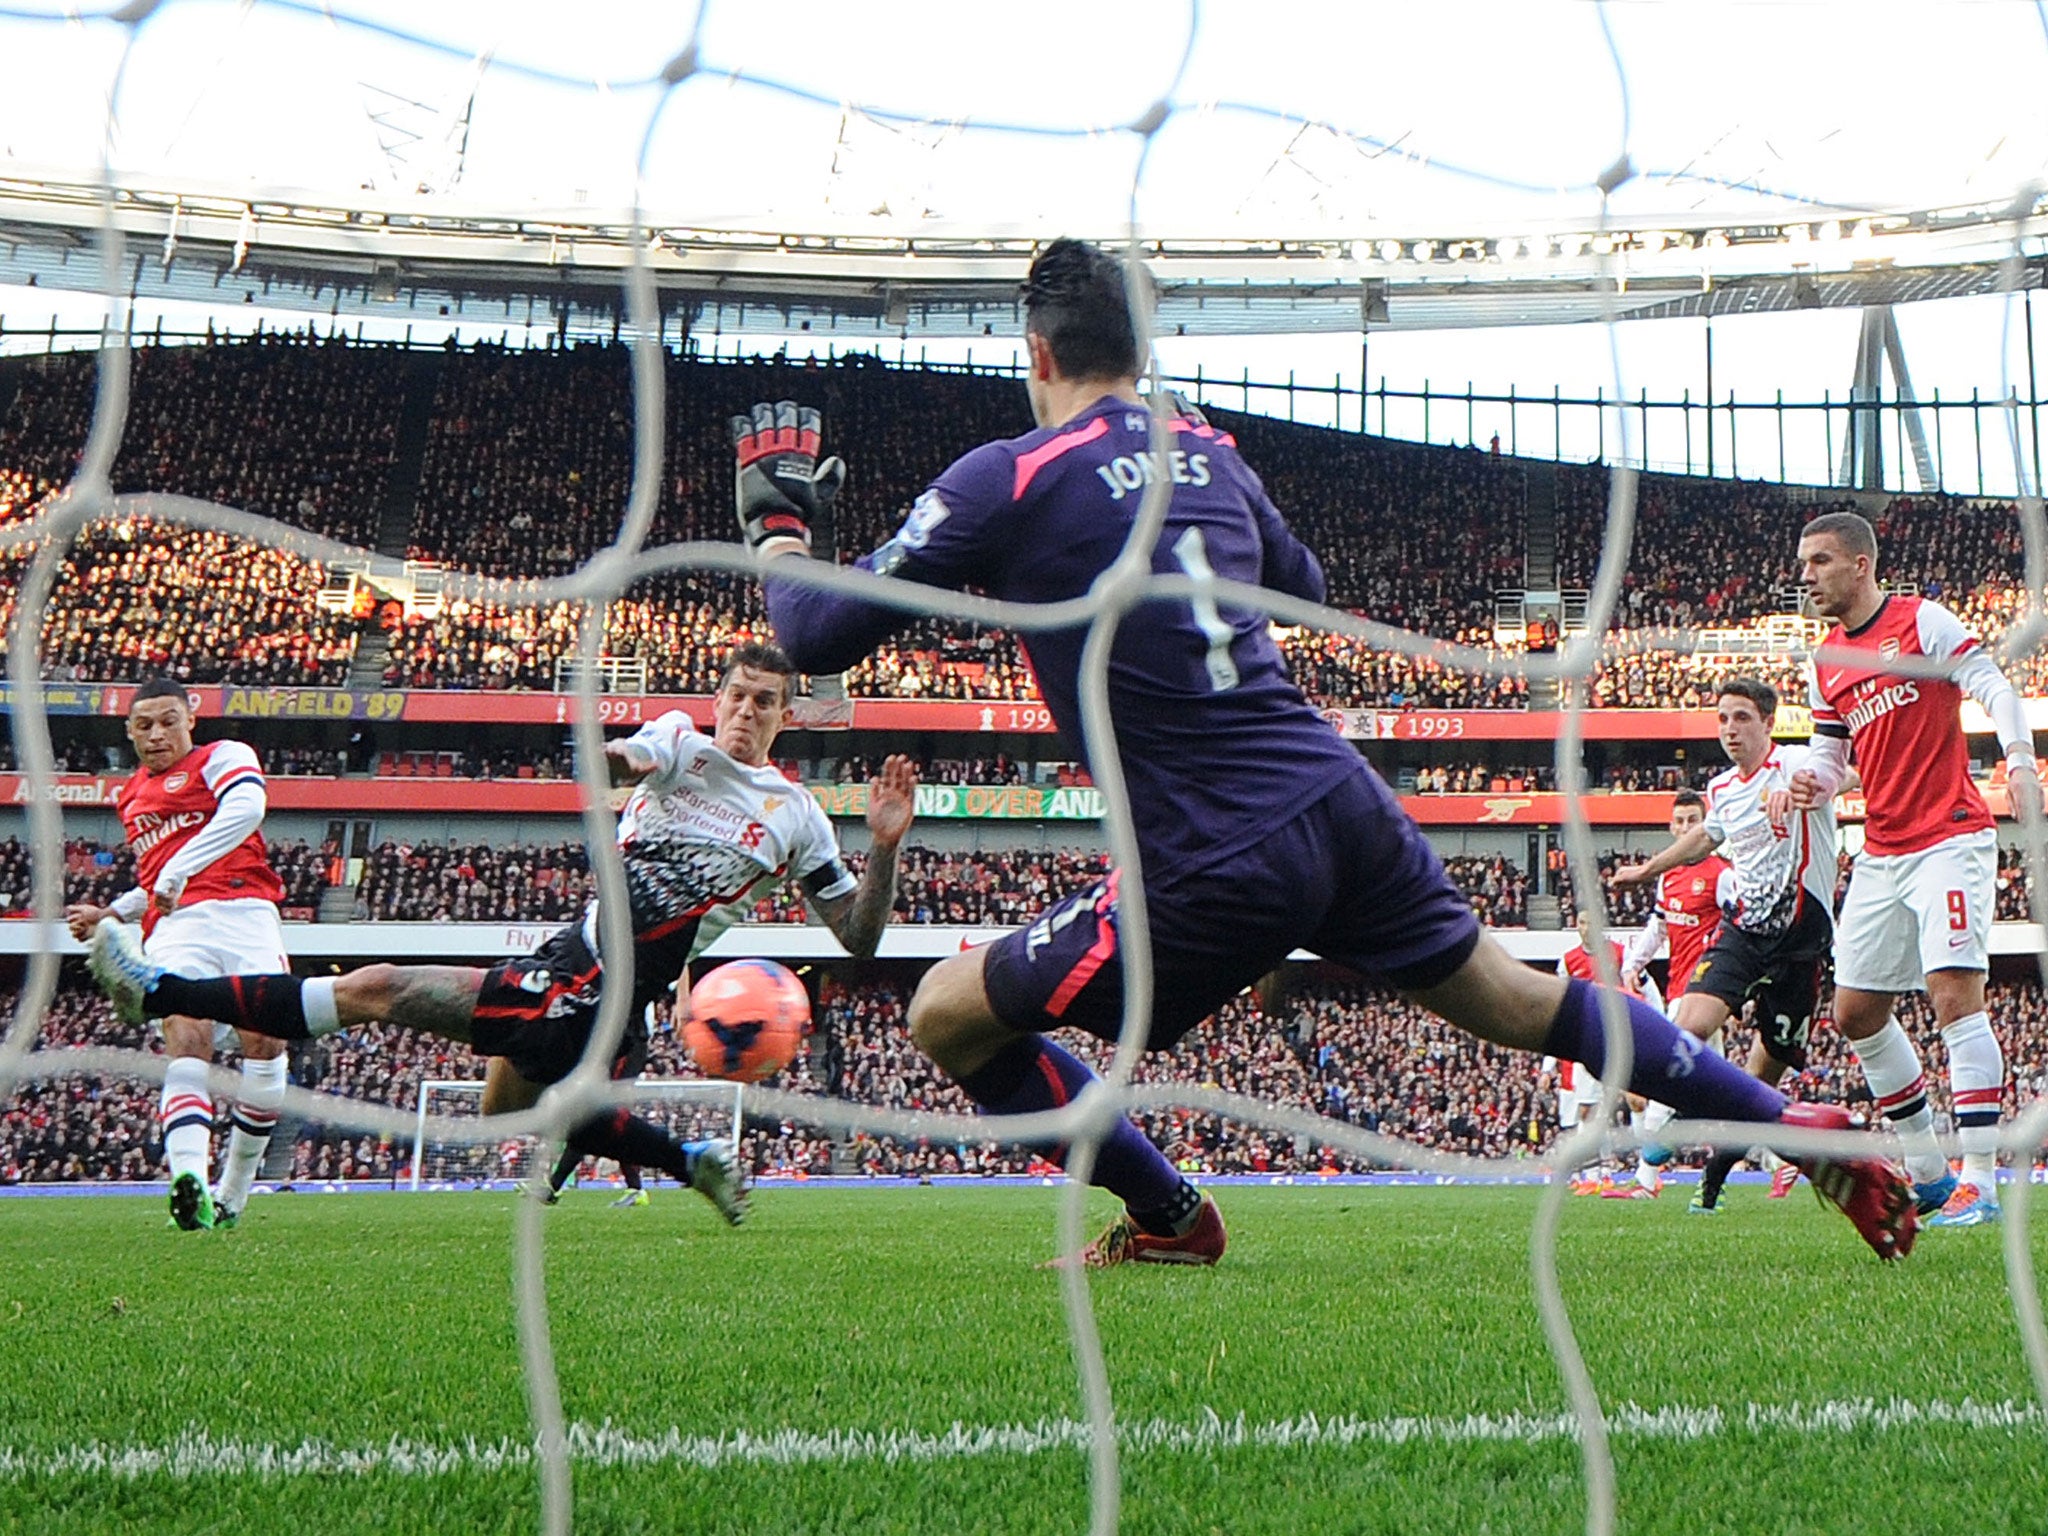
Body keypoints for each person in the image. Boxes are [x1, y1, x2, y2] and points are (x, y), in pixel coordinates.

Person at [734, 237, 1916, 1265]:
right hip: (1333, 797)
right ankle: (1779, 1121)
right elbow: (1297, 587)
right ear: (1135, 354)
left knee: (946, 1015)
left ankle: (1166, 1215)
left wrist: (781, 527)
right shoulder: (1209, 453)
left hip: (1210, 847)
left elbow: (815, 631)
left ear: (1035, 354)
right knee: (1515, 1000)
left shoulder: (1009, 476)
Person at [91, 646, 917, 1227]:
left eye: (764, 700)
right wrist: (617, 757)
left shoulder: (799, 820)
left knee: (381, 987)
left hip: (604, 980)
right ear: (717, 699)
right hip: (575, 954)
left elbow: (859, 936)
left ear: (788, 712)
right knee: (510, 1104)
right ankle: (686, 1159)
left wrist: (881, 848)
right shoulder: (683, 746)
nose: (745, 711)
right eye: (736, 694)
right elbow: (636, 752)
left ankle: (158, 989)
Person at [1789, 510, 2041, 1229]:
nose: (1807, 576)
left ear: (1861, 564)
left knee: (1954, 994)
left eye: (1819, 562)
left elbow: (1993, 685)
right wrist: (1812, 782)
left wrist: (2019, 760)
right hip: (1883, 848)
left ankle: (1981, 1182)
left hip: (1949, 839)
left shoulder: (1922, 621)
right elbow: (1831, 760)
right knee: (1855, 1013)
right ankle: (1928, 1171)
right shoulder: (1827, 661)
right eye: (1804, 563)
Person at [63, 679, 292, 1232]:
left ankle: (234, 1192)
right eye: (144, 725)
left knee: (266, 1041)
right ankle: (188, 1180)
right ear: (129, 732)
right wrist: (113, 913)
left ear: (191, 718)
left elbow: (247, 807)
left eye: (168, 720)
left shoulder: (225, 756)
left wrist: (178, 869)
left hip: (245, 908)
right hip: (176, 923)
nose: (157, 734)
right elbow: (153, 880)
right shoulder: (131, 795)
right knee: (185, 1031)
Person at [1614, 678, 1846, 1214]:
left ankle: (1713, 1179)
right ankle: (1682, 1118)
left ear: (1768, 721)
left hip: (1802, 940)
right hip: (1743, 931)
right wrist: (1648, 869)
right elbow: (1704, 838)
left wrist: (1811, 790)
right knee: (1688, 1028)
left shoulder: (1794, 764)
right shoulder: (1720, 790)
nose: (1729, 729)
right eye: (1722, 719)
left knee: (1761, 1084)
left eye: (1741, 717)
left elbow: (1842, 774)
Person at [1616, 787, 1734, 1195]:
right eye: (1679, 821)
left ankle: (1647, 1179)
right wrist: (1632, 965)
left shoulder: (1723, 875)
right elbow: (1660, 928)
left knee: (1667, 1078)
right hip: (1679, 989)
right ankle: (1779, 1160)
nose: (1685, 828)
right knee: (1725, 1093)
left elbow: (1740, 929)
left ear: (1705, 826)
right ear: (1671, 826)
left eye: (1693, 821)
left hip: (1704, 990)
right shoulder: (1668, 877)